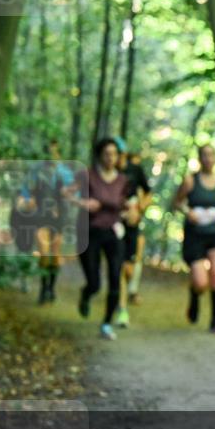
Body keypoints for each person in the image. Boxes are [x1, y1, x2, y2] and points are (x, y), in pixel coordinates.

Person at [172, 144, 215, 335]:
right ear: (199, 158)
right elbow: (177, 203)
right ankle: (194, 295)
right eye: (205, 155)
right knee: (201, 282)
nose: (208, 159)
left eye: (211, 155)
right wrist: (188, 212)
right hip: (195, 234)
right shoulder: (190, 181)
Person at [73, 137, 128, 341]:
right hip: (89, 232)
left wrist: (129, 211)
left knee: (115, 277)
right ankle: (86, 294)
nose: (110, 158)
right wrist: (83, 203)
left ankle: (106, 323)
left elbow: (124, 203)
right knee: (94, 282)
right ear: (99, 155)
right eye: (107, 153)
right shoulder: (87, 175)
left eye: (114, 154)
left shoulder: (122, 180)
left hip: (113, 233)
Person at [23, 140, 77, 304]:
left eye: (54, 151)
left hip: (59, 216)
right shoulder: (37, 170)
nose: (51, 156)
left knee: (55, 254)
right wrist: (28, 200)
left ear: (58, 153)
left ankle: (51, 288)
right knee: (44, 253)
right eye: (48, 151)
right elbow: (26, 190)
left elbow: (75, 194)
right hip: (41, 215)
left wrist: (67, 195)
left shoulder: (65, 173)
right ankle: (43, 288)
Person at [113, 143, 152, 327]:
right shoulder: (104, 173)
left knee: (129, 268)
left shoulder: (135, 170)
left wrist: (140, 208)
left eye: (119, 153)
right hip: (112, 224)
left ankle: (127, 291)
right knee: (118, 266)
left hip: (132, 225)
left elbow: (148, 192)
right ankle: (121, 309)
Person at [124, 151, 152, 306]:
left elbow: (148, 197)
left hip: (139, 222)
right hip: (127, 222)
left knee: (137, 255)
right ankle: (125, 288)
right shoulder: (127, 182)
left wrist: (141, 208)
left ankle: (132, 290)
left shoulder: (141, 182)